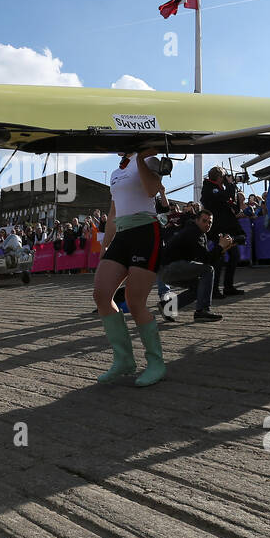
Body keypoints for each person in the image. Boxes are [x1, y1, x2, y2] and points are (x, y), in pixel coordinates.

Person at [93, 150, 169, 387]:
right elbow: (114, 213)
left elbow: (151, 191)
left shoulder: (148, 160)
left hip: (147, 230)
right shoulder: (116, 172)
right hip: (122, 235)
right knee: (102, 295)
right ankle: (124, 360)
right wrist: (106, 246)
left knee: (135, 301)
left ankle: (156, 362)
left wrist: (139, 158)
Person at [157, 209, 228, 323]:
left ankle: (168, 307)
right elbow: (206, 261)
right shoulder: (193, 232)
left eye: (210, 222)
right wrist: (220, 247)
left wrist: (222, 248)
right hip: (170, 268)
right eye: (204, 221)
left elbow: (205, 258)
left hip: (167, 272)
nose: (207, 224)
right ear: (197, 220)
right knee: (208, 270)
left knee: (199, 287)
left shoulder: (197, 232)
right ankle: (202, 310)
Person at [201, 166, 244, 299]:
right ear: (219, 177)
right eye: (224, 176)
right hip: (218, 229)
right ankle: (213, 290)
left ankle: (228, 286)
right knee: (219, 259)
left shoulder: (219, 188)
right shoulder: (209, 188)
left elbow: (232, 205)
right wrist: (230, 184)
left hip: (227, 229)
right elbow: (223, 197)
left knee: (234, 256)